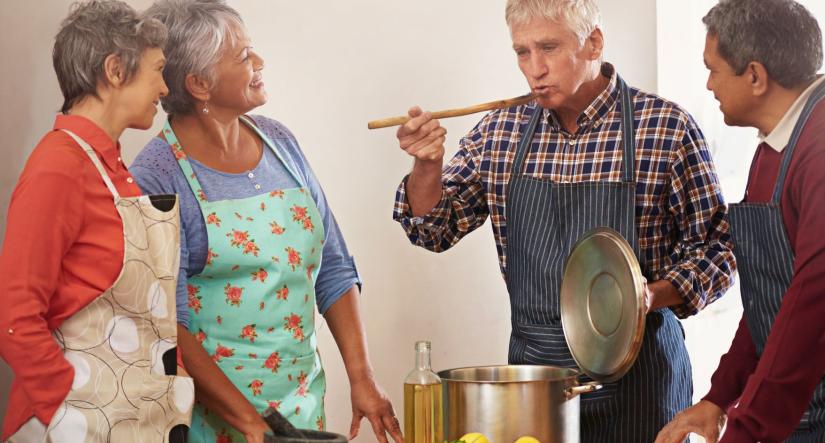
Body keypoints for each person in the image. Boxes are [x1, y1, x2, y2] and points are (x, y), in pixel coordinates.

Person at [390, 0, 737, 440]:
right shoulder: (500, 132)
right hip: (533, 387)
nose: (534, 69)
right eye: (522, 52)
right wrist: (427, 164)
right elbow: (433, 229)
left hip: (640, 384)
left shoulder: (665, 128)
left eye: (549, 48)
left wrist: (644, 298)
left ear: (593, 43)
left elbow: (718, 252)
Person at [129, 1, 402, 442]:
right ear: (199, 84)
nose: (259, 63)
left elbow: (332, 267)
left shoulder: (279, 142)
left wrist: (361, 376)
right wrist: (256, 428)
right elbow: (168, 328)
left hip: (300, 414)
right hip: (213, 422)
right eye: (243, 56)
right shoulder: (157, 175)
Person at [0, 1, 194, 442]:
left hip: (131, 422)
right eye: (157, 70)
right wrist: (68, 408)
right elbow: (14, 318)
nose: (164, 87)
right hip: (79, 425)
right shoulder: (58, 167)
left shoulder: (112, 169)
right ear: (114, 70)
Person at [655, 1, 825, 442]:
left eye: (714, 69)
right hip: (795, 410)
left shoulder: (820, 149)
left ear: (754, 75)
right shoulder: (771, 147)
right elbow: (769, 296)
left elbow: (813, 305)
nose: (708, 84)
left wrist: (746, 429)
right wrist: (719, 396)